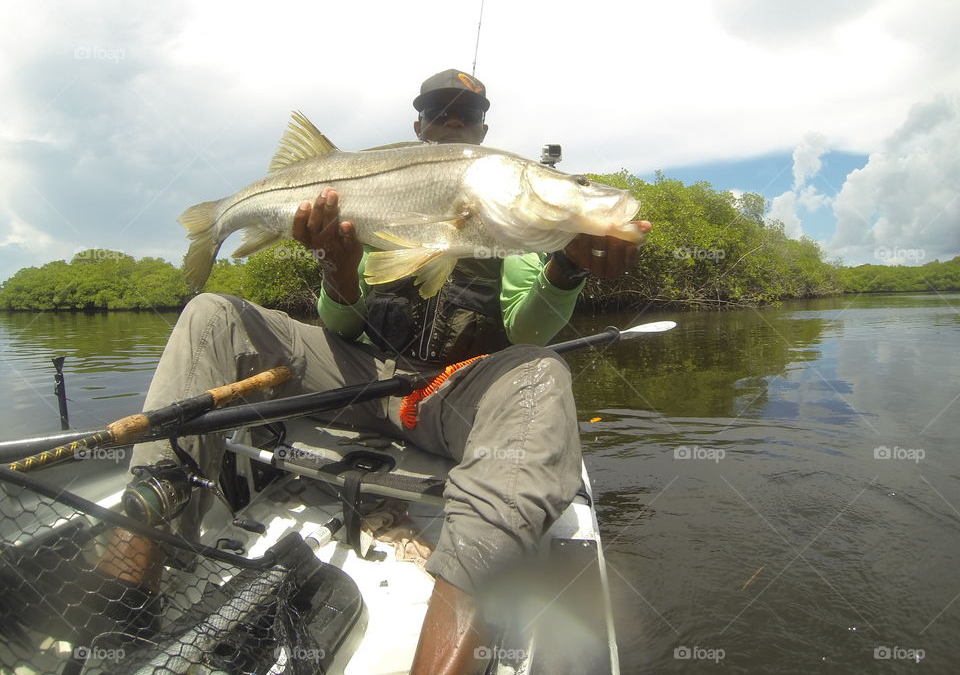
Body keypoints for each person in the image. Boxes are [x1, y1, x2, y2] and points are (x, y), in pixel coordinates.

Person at [125, 68, 649, 675]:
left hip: (454, 395)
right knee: (212, 313)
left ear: (485, 129)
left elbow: (527, 331)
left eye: (467, 115)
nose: (452, 120)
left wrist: (566, 271)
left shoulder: (524, 232)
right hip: (360, 378)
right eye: (438, 111)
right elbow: (342, 328)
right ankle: (127, 585)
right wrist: (336, 271)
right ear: (418, 123)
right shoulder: (380, 194)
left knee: (538, 368)